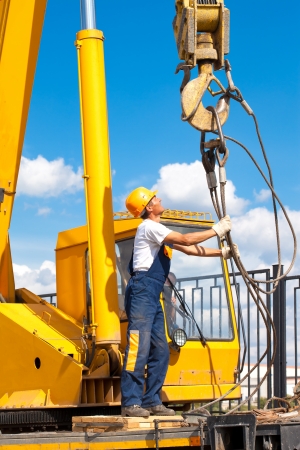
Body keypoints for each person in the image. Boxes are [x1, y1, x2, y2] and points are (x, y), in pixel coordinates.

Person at [121, 187, 238, 417]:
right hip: (142, 292)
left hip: (152, 294)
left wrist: (222, 253)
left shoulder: (158, 231)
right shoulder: (149, 227)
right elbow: (185, 238)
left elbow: (191, 249)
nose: (160, 198)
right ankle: (131, 402)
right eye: (155, 198)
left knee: (161, 350)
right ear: (148, 207)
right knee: (138, 347)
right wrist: (216, 230)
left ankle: (151, 400)